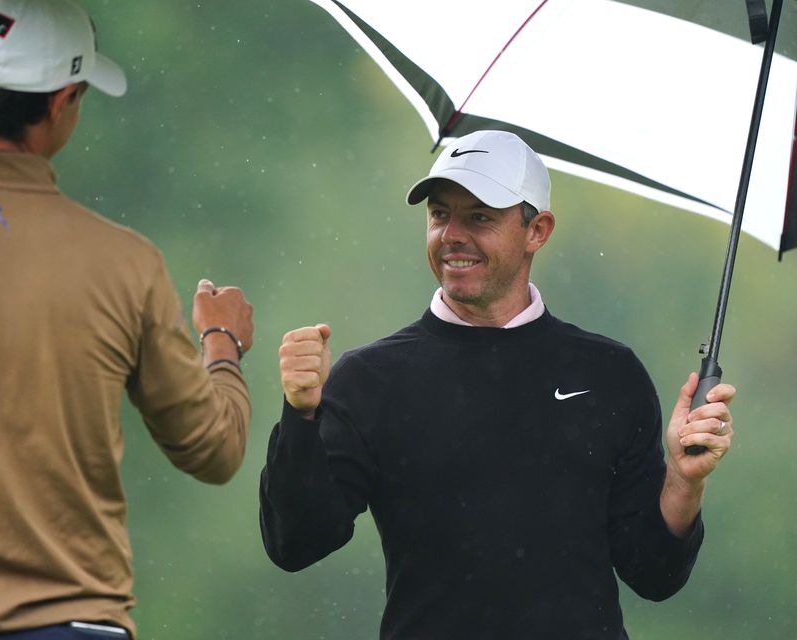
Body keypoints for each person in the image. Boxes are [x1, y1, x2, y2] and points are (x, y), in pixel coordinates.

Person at [0, 1, 252, 638]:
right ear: (63, 99)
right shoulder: (124, 264)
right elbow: (213, 449)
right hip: (71, 625)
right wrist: (223, 341)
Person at [260, 130, 736, 639]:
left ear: (538, 230)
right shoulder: (371, 379)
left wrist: (685, 482)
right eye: (440, 214)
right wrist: (301, 414)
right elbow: (296, 543)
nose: (452, 235)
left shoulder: (609, 375)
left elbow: (653, 572)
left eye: (479, 217)